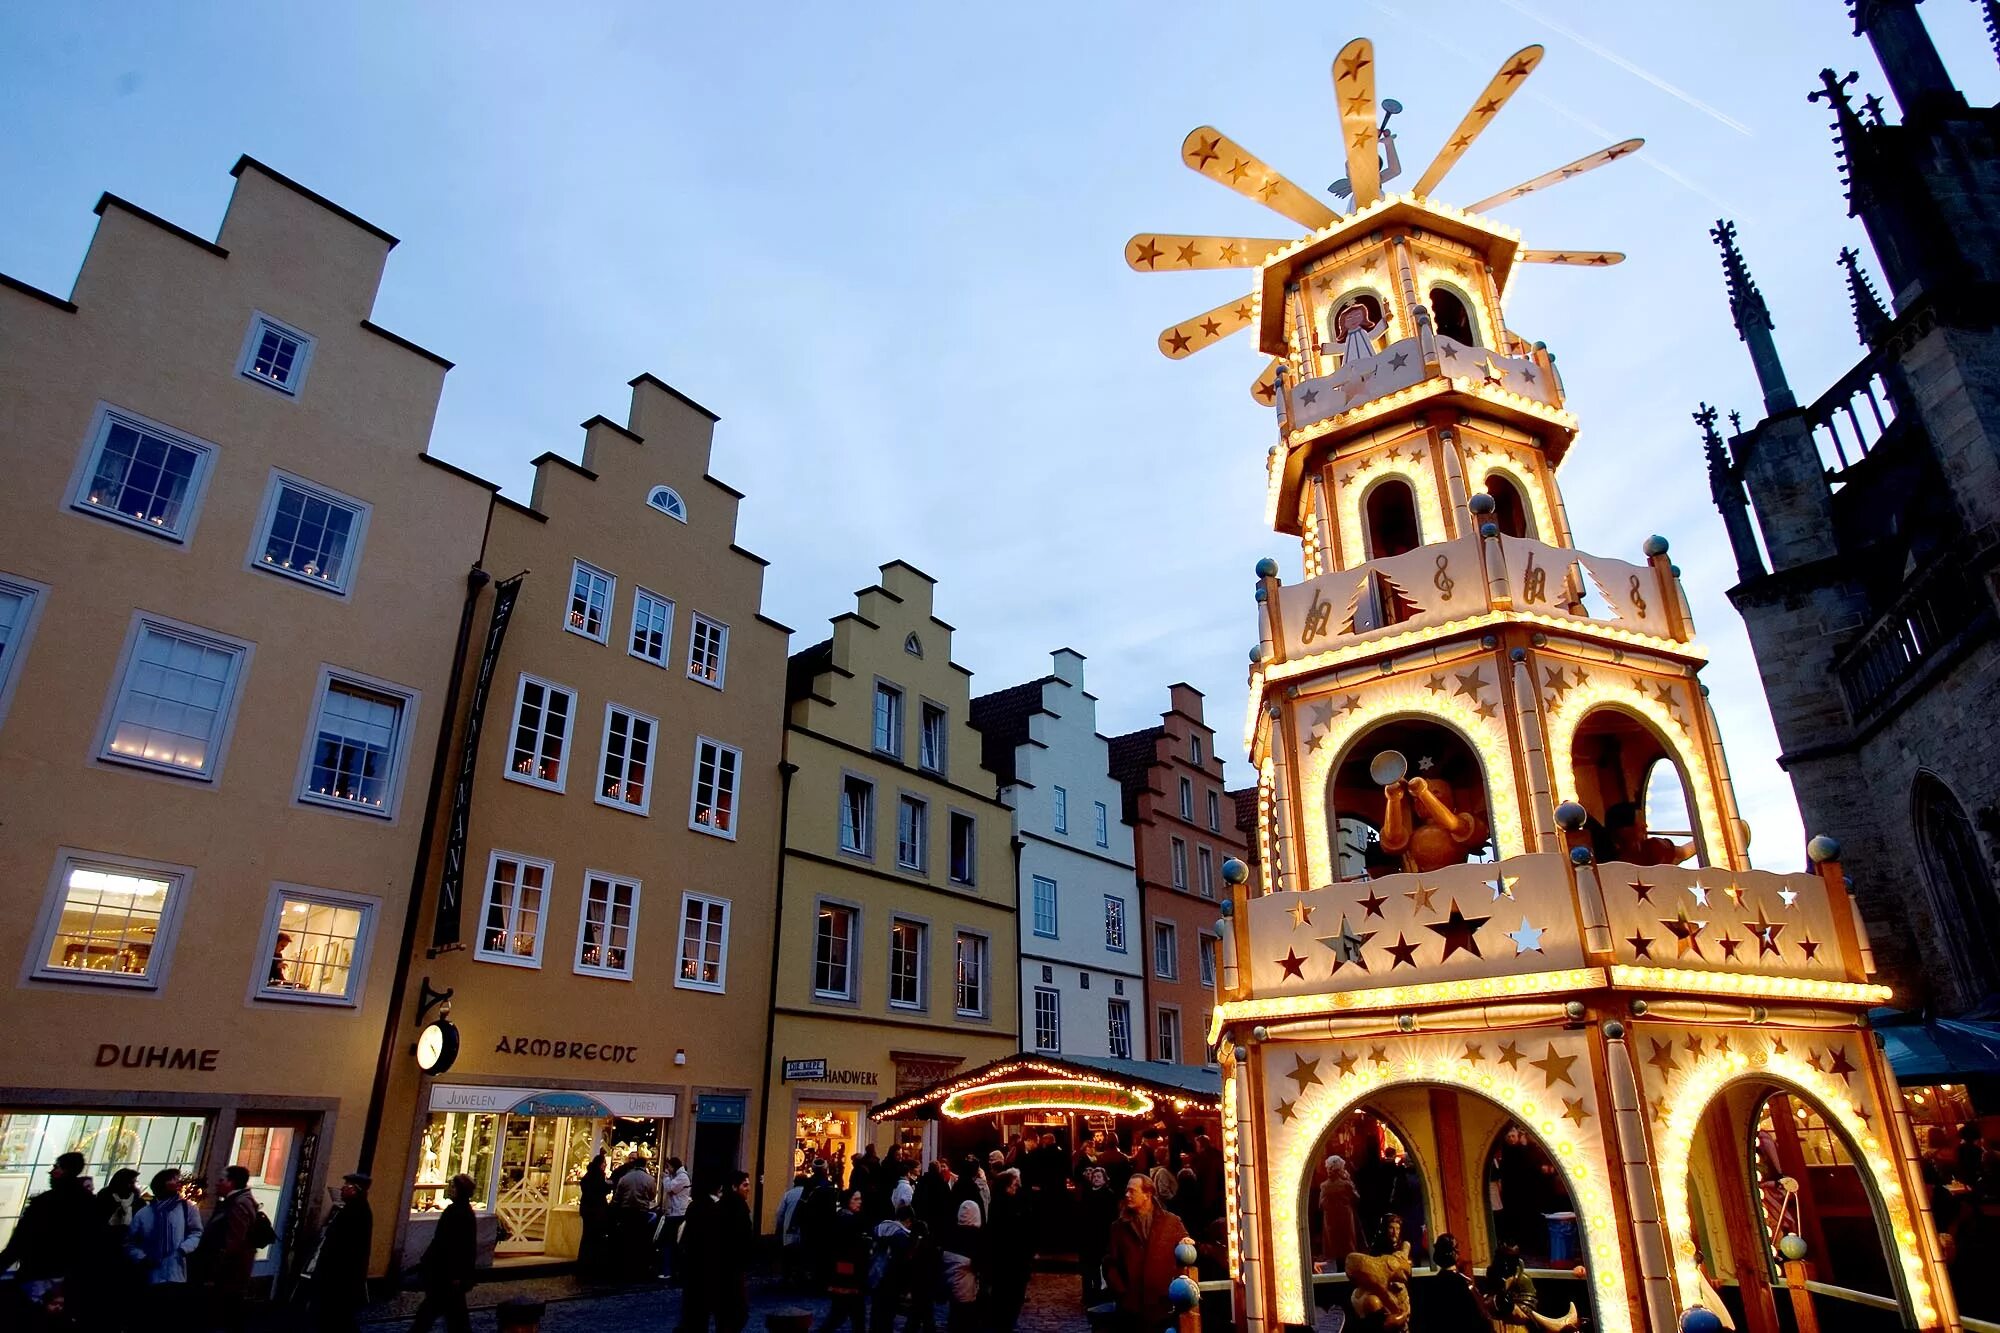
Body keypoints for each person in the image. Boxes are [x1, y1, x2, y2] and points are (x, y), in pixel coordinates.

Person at [0, 1150, 97, 1308]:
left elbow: (20, 1240)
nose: (52, 1171)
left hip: (38, 1272)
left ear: (64, 1170)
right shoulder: (89, 1203)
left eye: (56, 1167)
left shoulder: (44, 1202)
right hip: (69, 1276)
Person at [1103, 1173, 1189, 1333]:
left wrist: (1187, 1242)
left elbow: (1186, 1249)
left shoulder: (1171, 1222)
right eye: (1126, 1191)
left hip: (1161, 1307)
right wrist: (1121, 1292)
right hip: (1130, 1308)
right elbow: (1109, 1262)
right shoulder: (1118, 1227)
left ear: (1147, 1194)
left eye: (1132, 1191)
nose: (1127, 1195)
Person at [127, 1168, 203, 1320]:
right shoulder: (145, 1213)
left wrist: (184, 1249)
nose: (177, 1182)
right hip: (151, 1273)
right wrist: (141, 1257)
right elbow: (130, 1242)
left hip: (176, 1272)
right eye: (173, 1179)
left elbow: (196, 1232)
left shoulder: (187, 1208)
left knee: (171, 1315)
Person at [305, 1171, 373, 1333]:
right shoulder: (352, 1209)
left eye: (347, 1186)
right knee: (337, 1319)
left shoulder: (356, 1212)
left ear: (356, 1190)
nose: (342, 1189)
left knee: (337, 1318)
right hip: (338, 1275)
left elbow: (347, 1247)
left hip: (340, 1276)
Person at [199, 1163, 263, 1333]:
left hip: (229, 1271)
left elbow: (235, 1240)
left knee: (224, 1314)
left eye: (221, 1180)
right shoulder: (236, 1201)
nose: (217, 1183)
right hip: (229, 1270)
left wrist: (215, 1267)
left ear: (231, 1183)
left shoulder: (238, 1204)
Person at [410, 1172, 477, 1333]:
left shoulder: (458, 1212)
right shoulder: (462, 1211)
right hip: (445, 1272)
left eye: (454, 1187)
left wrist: (456, 1274)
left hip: (446, 1273)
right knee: (454, 1316)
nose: (451, 1189)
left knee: (432, 1312)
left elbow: (458, 1246)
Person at [985, 1170, 1033, 1333]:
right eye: (1013, 1185)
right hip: (1008, 1259)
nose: (1016, 1188)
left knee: (1010, 1295)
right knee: (1008, 1296)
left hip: (1013, 1259)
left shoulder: (1013, 1202)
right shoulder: (1002, 1205)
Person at [708, 1172, 755, 1333]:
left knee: (724, 1313)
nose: (748, 1189)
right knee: (738, 1313)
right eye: (745, 1185)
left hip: (720, 1266)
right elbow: (743, 1237)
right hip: (733, 1266)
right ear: (734, 1187)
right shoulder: (738, 1207)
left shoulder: (720, 1206)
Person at [821, 1190, 871, 1333]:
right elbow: (850, 1249)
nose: (859, 1202)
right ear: (847, 1201)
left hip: (844, 1273)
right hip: (848, 1274)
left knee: (845, 1314)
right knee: (848, 1313)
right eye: (856, 1199)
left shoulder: (843, 1218)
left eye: (860, 1199)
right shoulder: (848, 1221)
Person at [1418, 1234, 1488, 1333]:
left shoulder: (1430, 1285)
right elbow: (1477, 1317)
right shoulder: (1462, 1283)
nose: (1458, 1251)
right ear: (1453, 1253)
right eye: (1456, 1248)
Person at [866, 1205, 916, 1333]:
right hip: (891, 1281)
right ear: (908, 1220)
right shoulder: (902, 1237)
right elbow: (902, 1264)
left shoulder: (879, 1229)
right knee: (887, 1316)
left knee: (876, 1312)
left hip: (875, 1275)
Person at [1076, 1165, 1118, 1311]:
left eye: (1099, 1177)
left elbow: (1111, 1217)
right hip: (1086, 1236)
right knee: (1086, 1268)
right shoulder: (1087, 1193)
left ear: (1105, 1179)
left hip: (1100, 1236)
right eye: (1094, 1177)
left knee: (1097, 1268)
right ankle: (1087, 1294)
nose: (1096, 1179)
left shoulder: (1108, 1194)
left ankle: (1098, 1294)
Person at [939, 1200, 983, 1333]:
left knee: (955, 1314)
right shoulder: (975, 1237)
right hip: (966, 1285)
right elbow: (979, 1262)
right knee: (965, 1317)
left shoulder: (952, 1233)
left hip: (951, 1281)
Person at [614, 1150, 658, 1277]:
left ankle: (624, 1268)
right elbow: (651, 1196)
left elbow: (618, 1196)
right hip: (641, 1212)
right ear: (644, 1166)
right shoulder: (649, 1179)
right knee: (639, 1241)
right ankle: (638, 1269)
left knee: (626, 1241)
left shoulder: (625, 1178)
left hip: (626, 1211)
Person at [1319, 1155, 1362, 1268]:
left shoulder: (1324, 1186)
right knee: (1348, 1248)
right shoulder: (1346, 1185)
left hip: (1331, 1222)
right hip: (1346, 1220)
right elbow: (1356, 1197)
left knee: (1336, 1251)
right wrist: (1348, 1180)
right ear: (1340, 1169)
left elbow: (1321, 1204)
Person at [578, 1150, 612, 1274]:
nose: (605, 1166)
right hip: (596, 1210)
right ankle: (592, 1265)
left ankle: (584, 1264)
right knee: (594, 1238)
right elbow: (601, 1190)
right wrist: (609, 1186)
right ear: (600, 1164)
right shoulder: (598, 1175)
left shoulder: (588, 1175)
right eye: (604, 1163)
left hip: (587, 1210)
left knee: (587, 1237)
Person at [660, 1155, 693, 1282]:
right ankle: (670, 1270)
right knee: (670, 1243)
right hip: (674, 1212)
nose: (667, 1169)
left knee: (669, 1242)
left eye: (668, 1167)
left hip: (677, 1213)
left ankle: (669, 1271)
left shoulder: (682, 1177)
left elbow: (669, 1188)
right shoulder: (679, 1176)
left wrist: (666, 1177)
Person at [777, 1172, 811, 1286]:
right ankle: (800, 1276)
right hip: (803, 1231)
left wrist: (780, 1227)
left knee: (788, 1256)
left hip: (789, 1232)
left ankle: (787, 1276)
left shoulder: (788, 1194)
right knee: (801, 1257)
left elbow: (780, 1213)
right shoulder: (809, 1194)